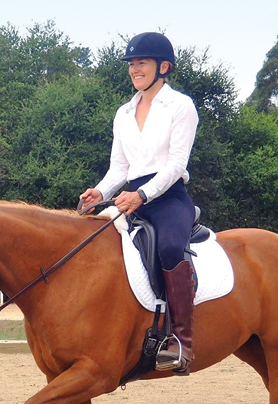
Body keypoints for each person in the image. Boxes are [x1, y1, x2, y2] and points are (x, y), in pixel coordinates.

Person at [79, 32, 199, 374]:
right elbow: (119, 168)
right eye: (132, 64)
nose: (135, 69)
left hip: (168, 197)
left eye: (141, 63)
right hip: (128, 197)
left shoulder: (180, 106)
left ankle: (181, 340)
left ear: (163, 67)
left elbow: (176, 164)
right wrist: (100, 193)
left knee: (171, 249)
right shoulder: (123, 112)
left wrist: (143, 195)